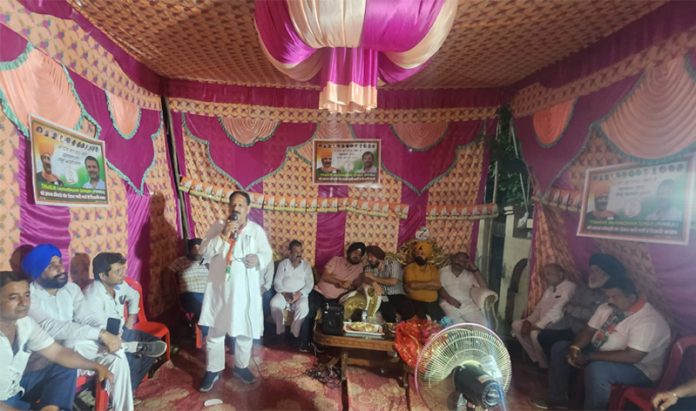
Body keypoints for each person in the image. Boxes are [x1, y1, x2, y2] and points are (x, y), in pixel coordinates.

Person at [22, 244, 151, 411]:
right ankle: (128, 346)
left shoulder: (71, 289)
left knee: (116, 357)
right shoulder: (29, 297)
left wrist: (104, 333)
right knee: (72, 340)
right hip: (48, 359)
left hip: (76, 349)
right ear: (37, 273)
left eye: (59, 262)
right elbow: (51, 327)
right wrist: (100, 334)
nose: (59, 267)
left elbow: (87, 317)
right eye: (51, 265)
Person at [540, 276, 671, 410]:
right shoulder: (606, 307)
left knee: (598, 369)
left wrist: (589, 357)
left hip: (639, 369)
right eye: (607, 296)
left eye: (614, 297)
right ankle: (558, 401)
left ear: (631, 297)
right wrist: (575, 347)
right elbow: (588, 330)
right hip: (601, 352)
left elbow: (632, 356)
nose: (609, 301)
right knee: (560, 348)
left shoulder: (648, 321)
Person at [0, 270, 112, 411]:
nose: (24, 302)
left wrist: (95, 366)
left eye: (27, 295)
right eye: (14, 297)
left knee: (65, 365)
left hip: (16, 388)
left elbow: (58, 352)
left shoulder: (25, 323)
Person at [197, 191, 273, 390]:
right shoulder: (218, 226)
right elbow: (204, 251)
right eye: (233, 204)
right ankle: (213, 370)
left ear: (248, 209)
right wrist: (223, 235)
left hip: (244, 290)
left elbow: (267, 254)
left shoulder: (256, 231)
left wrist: (258, 259)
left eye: (240, 205)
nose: (236, 208)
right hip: (219, 288)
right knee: (215, 329)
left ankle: (241, 367)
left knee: (244, 330)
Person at [83, 252, 167, 394]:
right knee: (131, 356)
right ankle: (116, 392)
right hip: (102, 343)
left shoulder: (119, 285)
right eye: (117, 271)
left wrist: (131, 318)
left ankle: (129, 384)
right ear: (103, 276)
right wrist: (121, 340)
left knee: (155, 344)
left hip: (123, 332)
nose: (123, 274)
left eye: (123, 269)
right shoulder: (92, 296)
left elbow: (134, 295)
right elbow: (99, 331)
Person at [536, 253, 625, 358]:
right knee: (543, 336)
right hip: (570, 326)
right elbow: (568, 305)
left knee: (560, 347)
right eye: (592, 271)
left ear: (607, 274)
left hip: (586, 333)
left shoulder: (609, 294)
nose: (593, 275)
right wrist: (576, 310)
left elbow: (591, 315)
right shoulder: (583, 288)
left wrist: (573, 310)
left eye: (597, 271)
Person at [299, 242, 365, 352]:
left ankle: (324, 346)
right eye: (355, 252)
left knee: (332, 317)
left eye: (359, 254)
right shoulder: (336, 260)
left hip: (336, 299)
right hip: (319, 292)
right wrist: (340, 282)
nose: (356, 256)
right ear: (349, 252)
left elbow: (357, 285)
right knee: (310, 309)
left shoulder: (359, 268)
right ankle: (305, 342)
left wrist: (351, 285)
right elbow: (325, 276)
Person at [512, 264, 575, 369]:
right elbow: (538, 309)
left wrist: (537, 326)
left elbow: (557, 312)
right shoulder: (550, 289)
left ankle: (544, 365)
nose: (546, 277)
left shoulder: (569, 288)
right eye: (545, 274)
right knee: (517, 325)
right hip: (541, 322)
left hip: (556, 325)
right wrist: (528, 322)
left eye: (549, 274)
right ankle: (535, 359)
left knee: (534, 334)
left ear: (560, 274)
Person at [269, 240, 313, 343]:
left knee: (303, 308)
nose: (299, 254)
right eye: (296, 252)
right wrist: (284, 293)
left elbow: (309, 284)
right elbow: (277, 281)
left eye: (300, 252)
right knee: (274, 303)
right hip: (284, 293)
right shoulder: (283, 264)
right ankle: (280, 332)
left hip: (300, 295)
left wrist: (299, 294)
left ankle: (294, 334)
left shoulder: (306, 266)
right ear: (289, 252)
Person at [363, 245, 414, 323]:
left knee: (407, 308)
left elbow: (393, 282)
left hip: (397, 294)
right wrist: (373, 283)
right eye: (368, 256)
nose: (369, 259)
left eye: (372, 256)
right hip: (383, 295)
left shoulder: (393, 264)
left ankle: (405, 328)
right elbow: (366, 278)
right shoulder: (369, 267)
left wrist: (374, 278)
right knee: (389, 312)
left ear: (379, 256)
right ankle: (391, 328)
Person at [438, 252, 488, 326]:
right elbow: (438, 287)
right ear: (452, 259)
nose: (459, 263)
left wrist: (475, 269)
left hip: (467, 305)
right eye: (457, 259)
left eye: (463, 261)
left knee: (483, 325)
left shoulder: (469, 275)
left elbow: (484, 286)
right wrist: (449, 299)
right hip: (448, 304)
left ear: (466, 264)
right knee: (459, 326)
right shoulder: (443, 272)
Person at [166, 238, 209, 325]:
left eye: (199, 248)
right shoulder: (181, 261)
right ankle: (203, 335)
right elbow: (167, 272)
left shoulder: (206, 261)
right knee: (203, 309)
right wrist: (168, 290)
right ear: (189, 250)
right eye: (194, 248)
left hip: (207, 294)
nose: (197, 251)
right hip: (189, 295)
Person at [403, 241, 443, 321]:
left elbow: (437, 285)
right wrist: (429, 284)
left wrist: (419, 285)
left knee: (438, 325)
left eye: (422, 254)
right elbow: (412, 285)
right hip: (415, 302)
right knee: (420, 324)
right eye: (417, 253)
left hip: (432, 303)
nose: (419, 255)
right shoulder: (410, 268)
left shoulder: (433, 269)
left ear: (427, 255)